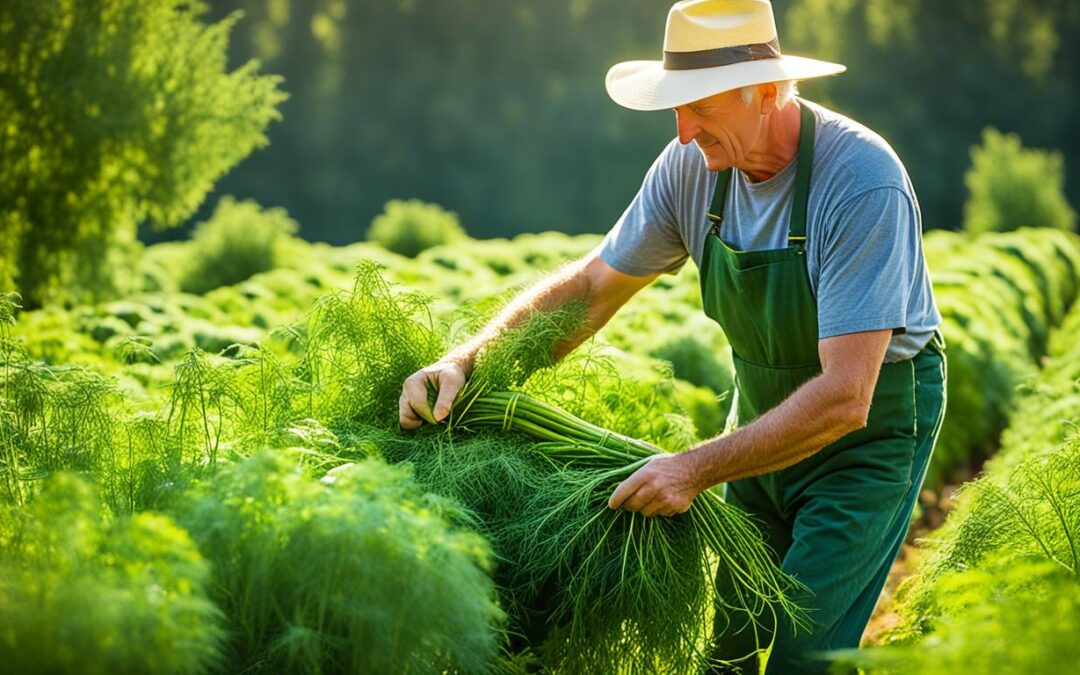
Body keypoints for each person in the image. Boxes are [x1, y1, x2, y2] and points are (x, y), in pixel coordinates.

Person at [399, 0, 946, 672]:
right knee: (732, 647)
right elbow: (593, 290)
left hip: (867, 437)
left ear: (768, 92)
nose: (684, 131)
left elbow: (845, 395)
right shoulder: (691, 167)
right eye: (676, 108)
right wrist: (468, 365)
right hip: (764, 418)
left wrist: (691, 468)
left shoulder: (861, 183)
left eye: (701, 107)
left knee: (803, 648)